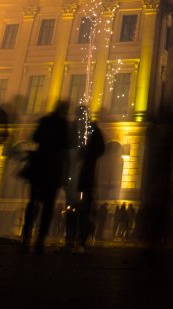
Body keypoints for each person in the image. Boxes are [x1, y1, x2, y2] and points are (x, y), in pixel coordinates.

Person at [21, 101, 71, 253]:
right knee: (48, 206)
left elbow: (35, 138)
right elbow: (68, 145)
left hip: (39, 165)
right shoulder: (64, 125)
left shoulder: (45, 121)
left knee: (33, 202)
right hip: (53, 169)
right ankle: (40, 239)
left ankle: (26, 235)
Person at [74, 105, 106, 250]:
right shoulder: (86, 128)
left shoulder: (88, 128)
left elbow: (99, 148)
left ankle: (80, 238)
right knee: (81, 206)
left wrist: (87, 154)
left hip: (84, 173)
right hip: (82, 172)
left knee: (83, 206)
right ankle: (78, 237)